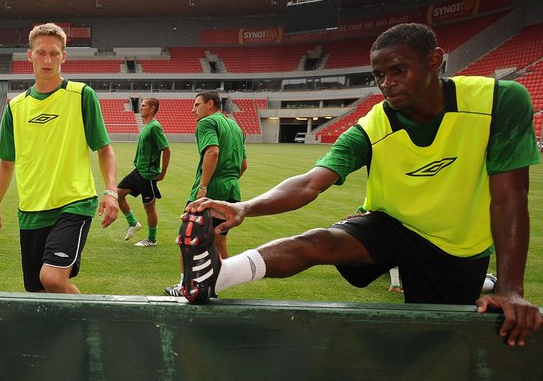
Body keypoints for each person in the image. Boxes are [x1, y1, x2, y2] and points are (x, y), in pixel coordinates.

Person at [180, 23, 541, 347]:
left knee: (433, 345)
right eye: (379, 74)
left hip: (457, 247)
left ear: (435, 61)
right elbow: (309, 184)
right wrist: (246, 207)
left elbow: (510, 198)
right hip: (391, 225)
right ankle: (219, 275)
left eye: (398, 70)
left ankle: (488, 281)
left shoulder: (498, 100)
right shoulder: (371, 126)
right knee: (315, 242)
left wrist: (513, 290)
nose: (387, 83)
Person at [0, 22, 119, 293]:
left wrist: (111, 191)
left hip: (74, 203)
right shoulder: (15, 107)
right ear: (30, 56)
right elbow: (6, 162)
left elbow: (104, 150)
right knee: (37, 291)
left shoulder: (82, 96)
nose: (48, 60)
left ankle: (88, 328)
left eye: (54, 53)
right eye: (41, 52)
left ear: (64, 56)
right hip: (31, 211)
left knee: (53, 279)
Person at [188, 90, 247, 259]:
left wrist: (203, 186)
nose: (193, 110)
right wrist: (229, 180)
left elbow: (212, 152)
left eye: (197, 105)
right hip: (231, 191)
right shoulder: (236, 127)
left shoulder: (206, 122)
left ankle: (186, 284)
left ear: (210, 104)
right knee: (219, 240)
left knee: (189, 238)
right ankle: (225, 279)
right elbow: (244, 164)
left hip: (211, 191)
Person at [117, 97, 170, 247]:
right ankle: (133, 223)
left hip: (148, 174)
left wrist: (163, 173)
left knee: (149, 207)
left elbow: (166, 150)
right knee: (118, 194)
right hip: (138, 171)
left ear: (152, 108)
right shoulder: (147, 126)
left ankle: (152, 239)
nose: (141, 107)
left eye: (144, 105)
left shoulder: (155, 127)